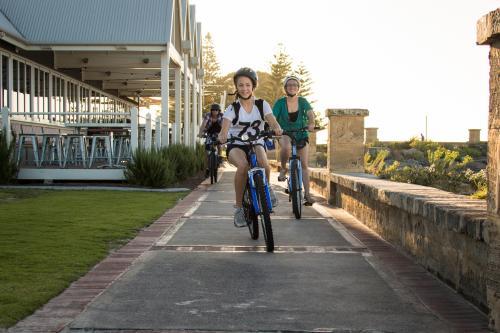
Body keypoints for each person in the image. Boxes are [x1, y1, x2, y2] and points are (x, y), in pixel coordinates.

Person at [218, 67, 283, 227]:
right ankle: (239, 207)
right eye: (241, 85)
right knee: (243, 166)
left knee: (263, 162)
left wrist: (277, 127)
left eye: (248, 85)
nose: (244, 88)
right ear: (237, 87)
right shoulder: (232, 108)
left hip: (256, 141)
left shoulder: (262, 105)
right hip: (236, 144)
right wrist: (222, 135)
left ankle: (267, 189)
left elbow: (271, 119)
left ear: (253, 86)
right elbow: (225, 125)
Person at [273, 75, 316, 206]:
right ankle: (284, 168)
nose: (292, 87)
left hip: (301, 133)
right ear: (285, 88)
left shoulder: (303, 101)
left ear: (298, 88)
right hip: (285, 132)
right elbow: (273, 117)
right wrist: (275, 128)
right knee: (285, 147)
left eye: (295, 85)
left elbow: (310, 113)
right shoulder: (280, 102)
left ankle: (307, 195)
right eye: (289, 85)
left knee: (304, 165)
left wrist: (312, 123)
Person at [198, 103, 224, 177]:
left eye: (216, 110)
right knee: (207, 150)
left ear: (219, 111)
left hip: (218, 133)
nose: (215, 111)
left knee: (219, 145)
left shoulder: (221, 116)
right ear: (211, 110)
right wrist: (200, 133)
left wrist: (223, 135)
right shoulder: (208, 115)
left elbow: (223, 126)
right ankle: (207, 169)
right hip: (209, 133)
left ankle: (219, 157)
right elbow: (203, 125)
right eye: (213, 110)